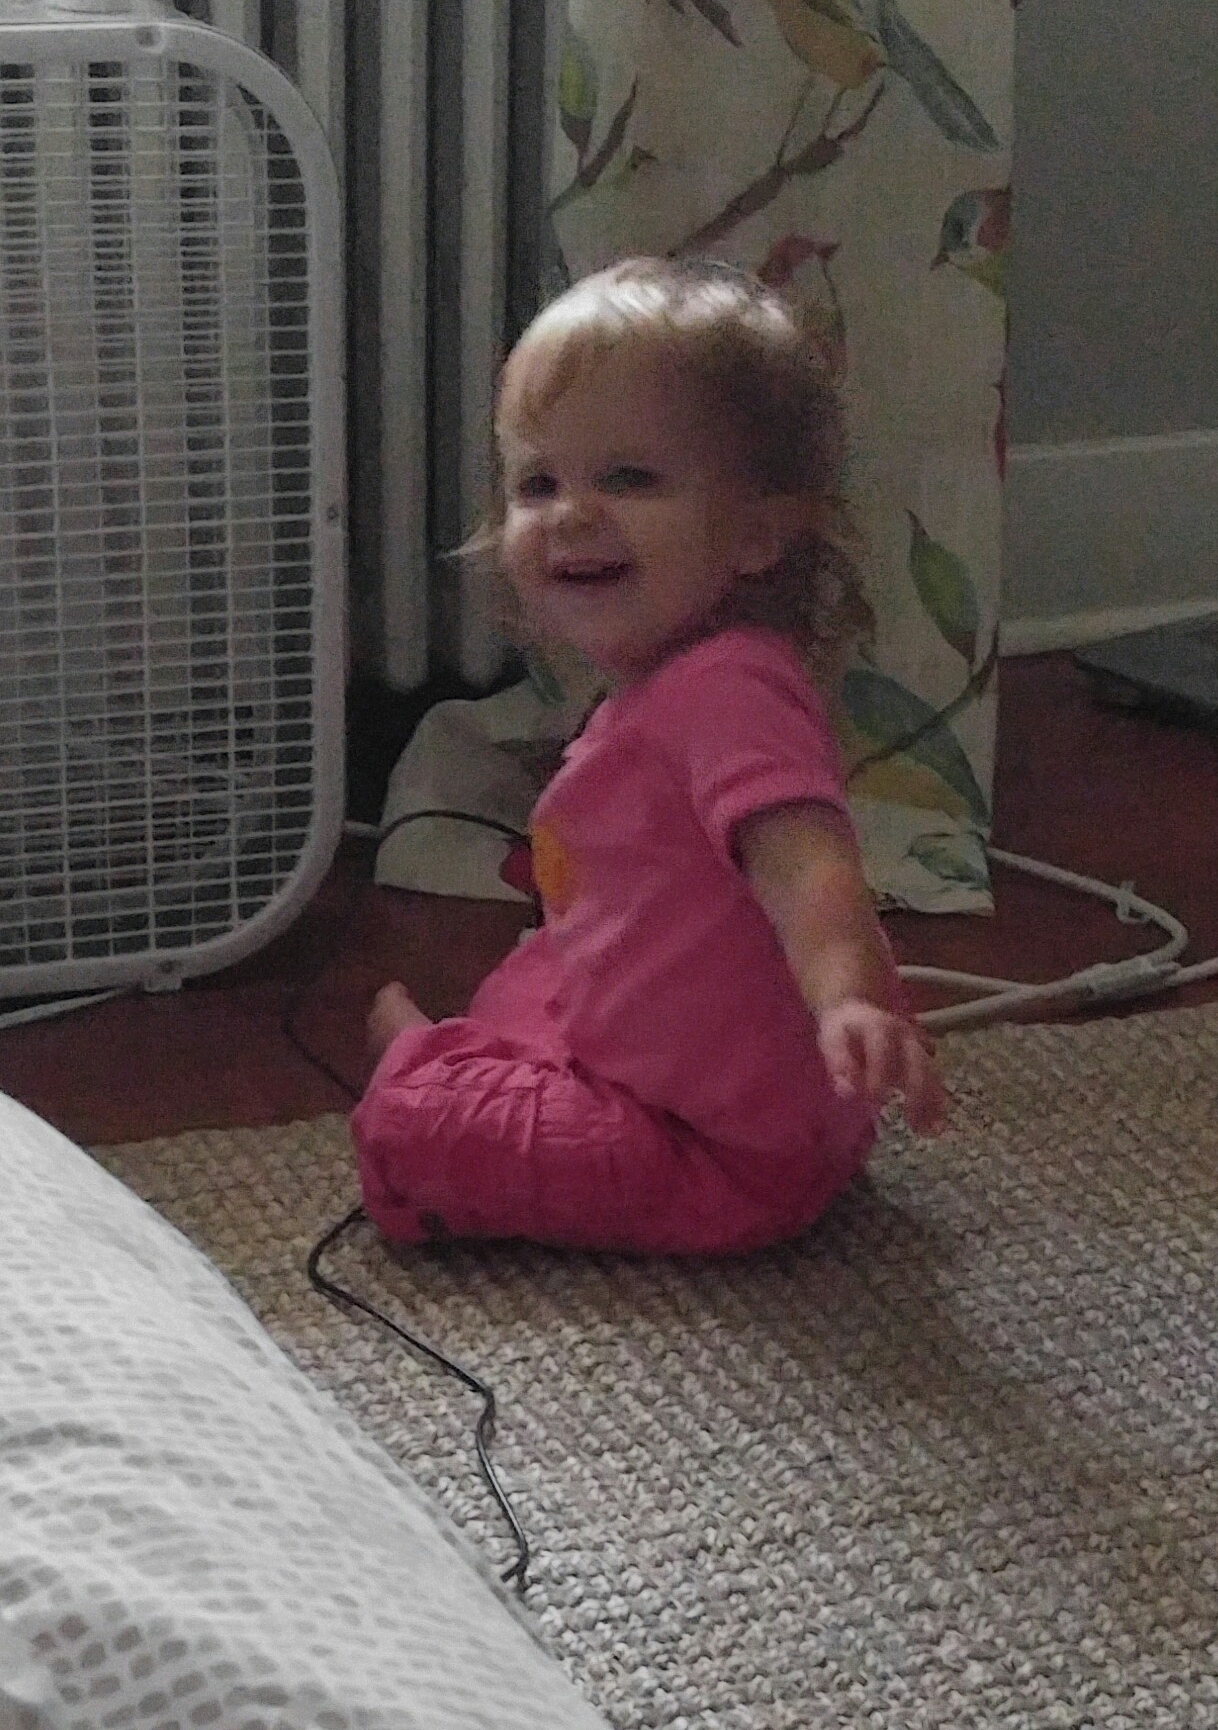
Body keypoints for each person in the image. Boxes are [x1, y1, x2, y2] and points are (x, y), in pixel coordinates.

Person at [353, 258, 947, 1253]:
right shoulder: (676, 679)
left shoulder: (727, 692)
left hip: (718, 1152)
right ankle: (474, 1058)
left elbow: (809, 863)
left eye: (627, 478)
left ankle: (414, 1060)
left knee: (410, 1129)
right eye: (538, 482)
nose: (571, 512)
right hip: (726, 1082)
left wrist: (848, 998)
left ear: (756, 533)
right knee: (543, 966)